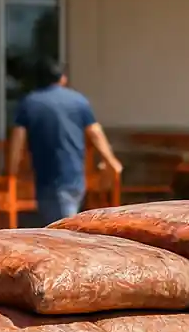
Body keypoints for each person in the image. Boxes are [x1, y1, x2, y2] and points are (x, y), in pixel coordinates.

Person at [8, 60, 122, 225]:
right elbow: (95, 133)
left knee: (61, 228)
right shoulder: (79, 101)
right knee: (63, 222)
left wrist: (12, 170)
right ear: (63, 78)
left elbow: (17, 140)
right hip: (74, 174)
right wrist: (111, 162)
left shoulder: (29, 103)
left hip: (47, 176)